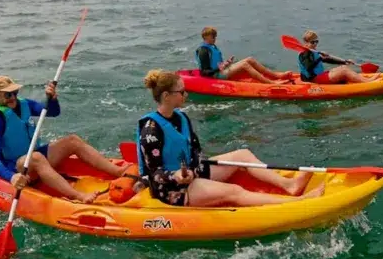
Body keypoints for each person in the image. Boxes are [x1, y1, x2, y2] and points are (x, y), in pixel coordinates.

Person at [137, 69, 326, 208]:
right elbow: (154, 174)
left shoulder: (181, 117)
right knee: (234, 191)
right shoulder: (151, 130)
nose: (186, 95)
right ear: (166, 96)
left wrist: (194, 169)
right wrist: (176, 176)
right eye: (181, 92)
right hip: (171, 188)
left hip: (192, 173)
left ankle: (289, 185)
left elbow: (195, 149)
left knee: (243, 155)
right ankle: (297, 203)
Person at [0, 74, 126, 204]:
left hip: (34, 157)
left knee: (72, 140)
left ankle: (118, 172)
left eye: (15, 92)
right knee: (37, 157)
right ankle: (78, 196)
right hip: (17, 167)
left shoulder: (24, 104)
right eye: (8, 94)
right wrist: (11, 177)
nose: (13, 97)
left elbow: (53, 112)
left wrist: (52, 99)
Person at [195, 27, 291, 84]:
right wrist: (219, 68)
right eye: (213, 37)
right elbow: (204, 72)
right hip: (216, 76)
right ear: (206, 37)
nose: (215, 38)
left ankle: (276, 75)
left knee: (250, 59)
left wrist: (227, 63)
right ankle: (271, 83)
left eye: (215, 36)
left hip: (221, 70)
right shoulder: (203, 50)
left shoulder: (212, 46)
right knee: (245, 64)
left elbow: (217, 64)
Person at [297, 30, 374, 85]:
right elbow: (308, 67)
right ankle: (368, 82)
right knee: (344, 71)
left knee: (343, 67)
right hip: (314, 80)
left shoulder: (312, 51)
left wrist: (345, 61)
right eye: (312, 42)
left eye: (316, 41)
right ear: (306, 42)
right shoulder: (304, 53)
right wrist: (320, 58)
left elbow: (328, 60)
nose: (315, 44)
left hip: (320, 76)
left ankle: (364, 80)